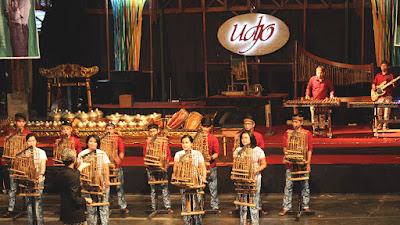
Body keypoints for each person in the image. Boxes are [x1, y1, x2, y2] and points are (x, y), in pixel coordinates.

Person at [279, 114, 312, 216]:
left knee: (304, 185)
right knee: (288, 185)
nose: (295, 124)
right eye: (293, 121)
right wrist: (287, 156)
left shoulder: (307, 133)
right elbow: (285, 147)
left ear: (301, 123)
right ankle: (286, 207)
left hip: (302, 163)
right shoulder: (288, 133)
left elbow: (309, 149)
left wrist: (308, 163)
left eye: (297, 122)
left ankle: (305, 206)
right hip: (291, 164)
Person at [233, 130, 266, 225]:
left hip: (254, 178)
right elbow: (235, 165)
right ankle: (243, 222)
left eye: (246, 137)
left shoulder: (258, 150)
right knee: (242, 203)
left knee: (254, 201)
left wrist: (256, 170)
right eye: (242, 138)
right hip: (242, 178)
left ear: (251, 139)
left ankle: (255, 223)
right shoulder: (238, 151)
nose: (244, 140)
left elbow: (263, 164)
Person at [172, 135, 207, 225]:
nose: (185, 145)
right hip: (183, 181)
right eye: (183, 143)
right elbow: (175, 168)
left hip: (195, 180)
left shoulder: (197, 153)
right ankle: (187, 222)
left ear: (191, 143)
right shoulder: (178, 154)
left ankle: (197, 222)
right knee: (185, 202)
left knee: (196, 203)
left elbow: (202, 167)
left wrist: (203, 177)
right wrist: (175, 176)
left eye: (187, 142)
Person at [3, 113, 32, 218]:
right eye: (19, 121)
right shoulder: (11, 134)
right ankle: (10, 208)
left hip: (25, 165)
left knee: (26, 186)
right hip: (14, 165)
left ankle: (27, 207)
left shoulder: (29, 134)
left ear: (25, 122)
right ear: (15, 122)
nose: (21, 123)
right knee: (13, 188)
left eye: (22, 121)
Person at [77, 135, 110, 225]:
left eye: (95, 142)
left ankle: (104, 222)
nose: (92, 143)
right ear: (87, 142)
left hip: (100, 180)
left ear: (97, 144)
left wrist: (107, 180)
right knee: (90, 205)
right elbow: (79, 168)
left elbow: (106, 168)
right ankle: (92, 223)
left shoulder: (102, 154)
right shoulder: (82, 154)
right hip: (87, 181)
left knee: (103, 203)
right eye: (90, 141)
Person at [143, 123, 173, 212]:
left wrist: (166, 163)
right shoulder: (147, 142)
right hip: (152, 167)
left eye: (154, 131)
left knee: (164, 186)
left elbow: (168, 154)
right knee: (153, 188)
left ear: (158, 131)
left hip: (161, 167)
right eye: (150, 132)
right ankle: (154, 206)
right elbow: (145, 155)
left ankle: (167, 206)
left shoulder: (163, 141)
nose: (152, 133)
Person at [56, 148, 90, 225]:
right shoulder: (73, 175)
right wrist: (85, 200)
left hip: (65, 210)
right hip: (75, 213)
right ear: (74, 160)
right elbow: (74, 197)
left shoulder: (60, 174)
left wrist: (79, 169)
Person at [104, 122, 129, 214]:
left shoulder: (118, 139)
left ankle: (122, 206)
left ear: (114, 130)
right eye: (107, 129)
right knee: (105, 186)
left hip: (115, 166)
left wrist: (119, 158)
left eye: (111, 129)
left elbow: (121, 151)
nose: (109, 130)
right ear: (105, 130)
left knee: (119, 186)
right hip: (105, 167)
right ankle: (105, 205)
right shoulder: (102, 139)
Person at [25, 133, 47, 225]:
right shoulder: (24, 153)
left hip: (39, 179)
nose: (31, 143)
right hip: (27, 179)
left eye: (33, 141)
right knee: (28, 202)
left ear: (36, 142)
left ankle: (39, 222)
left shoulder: (41, 152)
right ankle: (30, 222)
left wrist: (41, 175)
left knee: (38, 202)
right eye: (29, 141)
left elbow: (43, 165)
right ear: (26, 142)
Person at [305, 66, 335, 135]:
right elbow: (308, 88)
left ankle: (321, 131)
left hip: (323, 101)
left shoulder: (327, 80)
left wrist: (331, 95)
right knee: (314, 116)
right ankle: (315, 131)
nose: (319, 74)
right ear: (316, 73)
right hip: (314, 101)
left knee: (322, 116)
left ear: (324, 73)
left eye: (321, 73)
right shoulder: (312, 79)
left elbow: (331, 89)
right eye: (318, 73)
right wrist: (307, 95)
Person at [199, 117, 220, 212]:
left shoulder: (213, 138)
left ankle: (215, 206)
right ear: (200, 126)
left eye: (207, 127)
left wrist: (210, 158)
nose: (205, 129)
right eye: (204, 127)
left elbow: (217, 153)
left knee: (213, 187)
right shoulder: (197, 138)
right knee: (199, 187)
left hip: (211, 166)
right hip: (199, 167)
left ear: (210, 127)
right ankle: (199, 206)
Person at [372, 60, 396, 130]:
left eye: (384, 65)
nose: (383, 67)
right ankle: (379, 125)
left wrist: (393, 83)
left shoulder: (390, 75)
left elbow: (394, 86)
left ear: (388, 67)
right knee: (379, 111)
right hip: (379, 96)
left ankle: (385, 126)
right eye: (382, 65)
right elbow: (374, 83)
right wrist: (373, 86)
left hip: (388, 96)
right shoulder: (378, 75)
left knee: (387, 112)